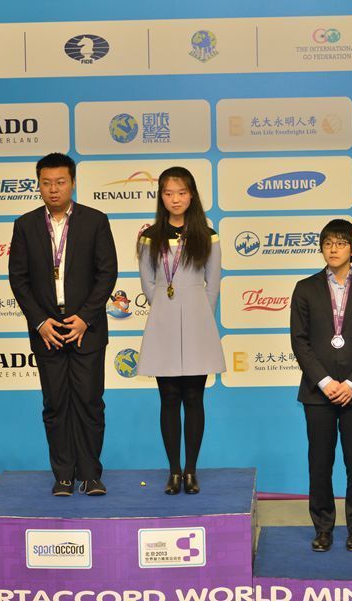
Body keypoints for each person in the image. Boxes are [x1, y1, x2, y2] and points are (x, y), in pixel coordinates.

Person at [8, 152, 118, 496]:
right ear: (38, 185)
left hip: (87, 329)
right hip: (48, 331)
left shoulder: (95, 221)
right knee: (55, 405)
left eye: (60, 182)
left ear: (72, 183)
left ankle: (90, 474)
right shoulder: (25, 225)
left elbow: (107, 273)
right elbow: (18, 279)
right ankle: (64, 475)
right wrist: (40, 321)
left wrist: (85, 317)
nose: (53, 189)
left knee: (89, 402)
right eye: (46, 183)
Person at [290, 219, 352, 552]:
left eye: (341, 243)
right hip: (318, 393)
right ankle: (323, 528)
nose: (333, 248)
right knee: (320, 463)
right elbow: (300, 341)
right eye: (328, 242)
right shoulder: (305, 288)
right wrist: (326, 381)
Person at [136, 166, 225, 495]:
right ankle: (174, 471)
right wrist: (164, 307)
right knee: (169, 398)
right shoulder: (150, 236)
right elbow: (147, 282)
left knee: (194, 398)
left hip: (199, 321)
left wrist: (201, 316)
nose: (175, 199)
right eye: (169, 193)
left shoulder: (207, 235)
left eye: (182, 193)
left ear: (192, 196)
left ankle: (191, 471)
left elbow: (212, 283)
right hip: (164, 322)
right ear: (161, 196)